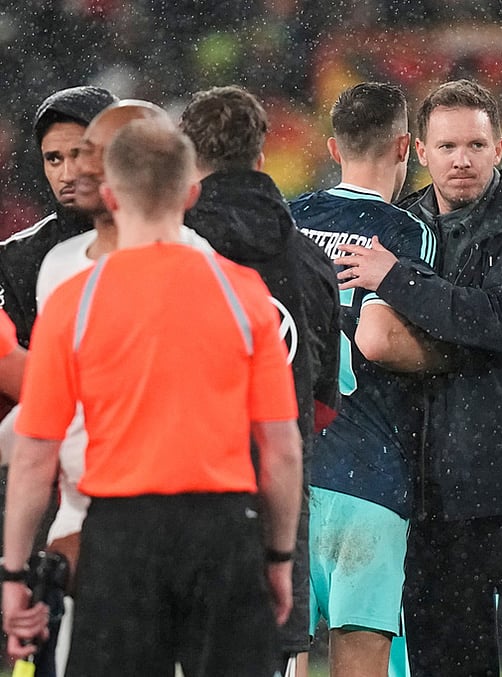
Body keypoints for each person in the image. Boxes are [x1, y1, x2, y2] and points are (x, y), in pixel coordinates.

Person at [1, 119, 303, 676]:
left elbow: (35, 454)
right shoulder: (242, 293)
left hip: (121, 536)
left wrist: (14, 574)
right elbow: (281, 448)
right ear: (190, 194)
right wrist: (279, 558)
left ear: (111, 197)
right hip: (222, 531)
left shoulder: (74, 301)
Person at [336, 78, 502, 677]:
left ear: (499, 148)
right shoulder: (403, 227)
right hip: (438, 495)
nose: (462, 160)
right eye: (447, 147)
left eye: (475, 145)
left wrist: (397, 281)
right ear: (420, 151)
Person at [4, 99, 214, 677]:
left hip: (164, 512)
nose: (76, 170)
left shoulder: (203, 263)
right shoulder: (50, 262)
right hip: (80, 508)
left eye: (88, 153)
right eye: (58, 158)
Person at [179, 85, 341, 675]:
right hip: (274, 505)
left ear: (188, 156)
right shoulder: (310, 262)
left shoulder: (165, 251)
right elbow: (321, 407)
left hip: (177, 497)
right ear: (261, 156)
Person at [289, 81, 441, 677]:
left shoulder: (289, 220)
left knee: (281, 655)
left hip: (290, 468)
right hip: (369, 469)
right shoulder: (407, 230)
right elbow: (381, 339)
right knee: (362, 657)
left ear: (334, 147)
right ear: (405, 147)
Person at [0, 86, 117, 348]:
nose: (67, 175)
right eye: (54, 159)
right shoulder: (16, 260)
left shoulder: (175, 239)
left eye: (79, 154)